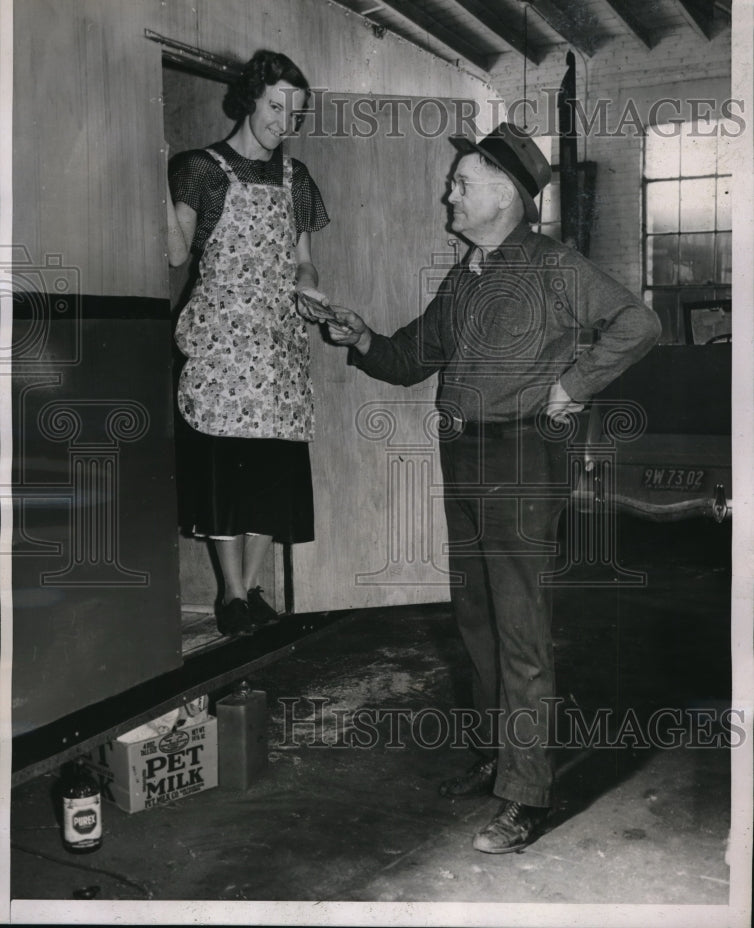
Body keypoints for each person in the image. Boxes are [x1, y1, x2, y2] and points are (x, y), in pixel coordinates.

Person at [327, 123, 662, 854]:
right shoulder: (465, 276)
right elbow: (411, 357)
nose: (448, 192)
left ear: (506, 193)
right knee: (475, 619)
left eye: (462, 182)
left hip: (521, 458)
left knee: (519, 630)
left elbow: (638, 323)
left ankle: (526, 794)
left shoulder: (553, 266)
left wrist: (572, 386)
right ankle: (496, 755)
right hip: (465, 454)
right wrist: (359, 338)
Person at [166, 49, 331, 637]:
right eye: (275, 105)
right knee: (225, 476)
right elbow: (176, 254)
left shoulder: (298, 179)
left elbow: (304, 263)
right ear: (251, 98)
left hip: (279, 345)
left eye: (295, 112)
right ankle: (231, 595)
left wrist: (307, 289)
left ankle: (254, 587)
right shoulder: (200, 168)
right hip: (222, 346)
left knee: (270, 475)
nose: (283, 121)